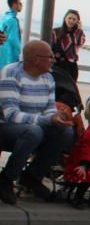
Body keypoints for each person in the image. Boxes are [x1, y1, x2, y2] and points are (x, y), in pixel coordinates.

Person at [0, 40, 74, 204]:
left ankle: (32, 177)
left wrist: (56, 118)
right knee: (34, 131)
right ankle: (6, 179)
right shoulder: (11, 73)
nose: (53, 59)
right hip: (7, 127)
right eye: (49, 57)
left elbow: (48, 108)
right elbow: (11, 114)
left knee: (66, 132)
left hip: (34, 126)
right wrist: (47, 119)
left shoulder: (48, 77)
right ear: (35, 59)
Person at [50, 9, 86, 81]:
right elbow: (51, 46)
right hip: (58, 63)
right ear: (65, 19)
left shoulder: (78, 33)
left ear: (77, 21)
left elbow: (80, 43)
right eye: (69, 18)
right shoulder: (55, 31)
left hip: (71, 64)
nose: (71, 21)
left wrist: (79, 29)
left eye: (74, 19)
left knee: (71, 88)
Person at [0, 0, 23, 68]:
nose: (22, 5)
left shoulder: (4, 17)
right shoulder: (13, 20)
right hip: (10, 54)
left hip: (2, 51)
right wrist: (19, 51)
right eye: (20, 3)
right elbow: (14, 39)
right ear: (14, 4)